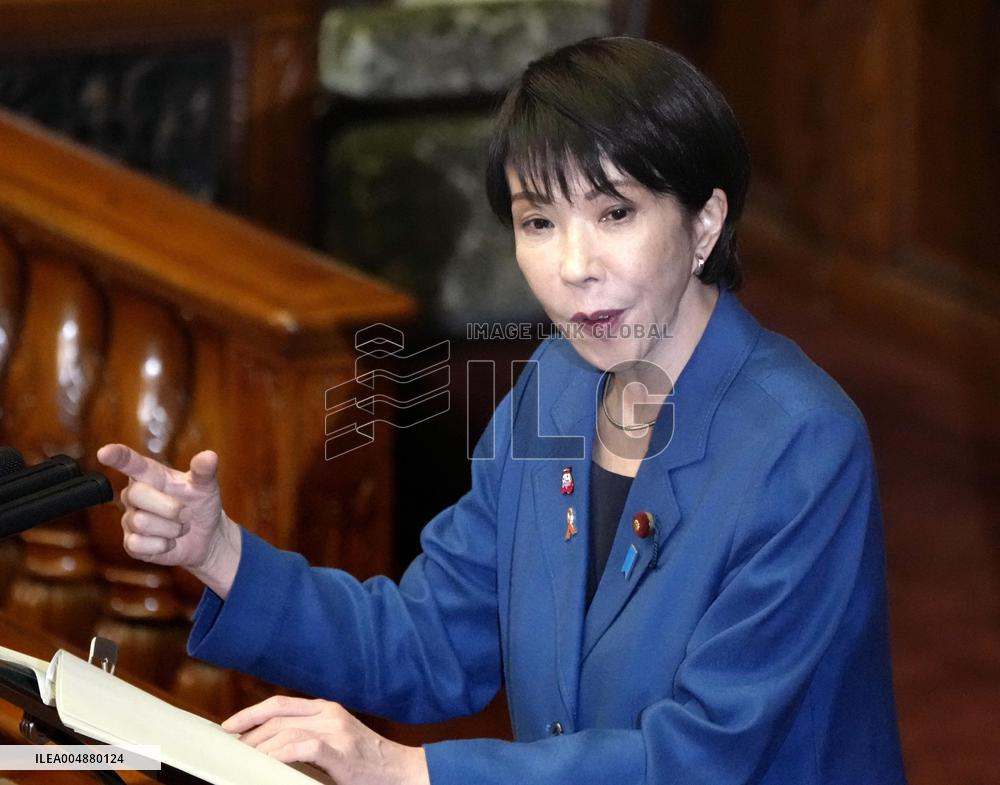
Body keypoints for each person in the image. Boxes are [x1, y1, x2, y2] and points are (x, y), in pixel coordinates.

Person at [97, 37, 908, 785]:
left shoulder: (803, 444)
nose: (573, 266)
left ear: (704, 223)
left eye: (614, 213)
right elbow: (429, 641)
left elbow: (701, 756)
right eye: (538, 222)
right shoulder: (553, 387)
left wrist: (410, 771)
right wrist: (222, 550)